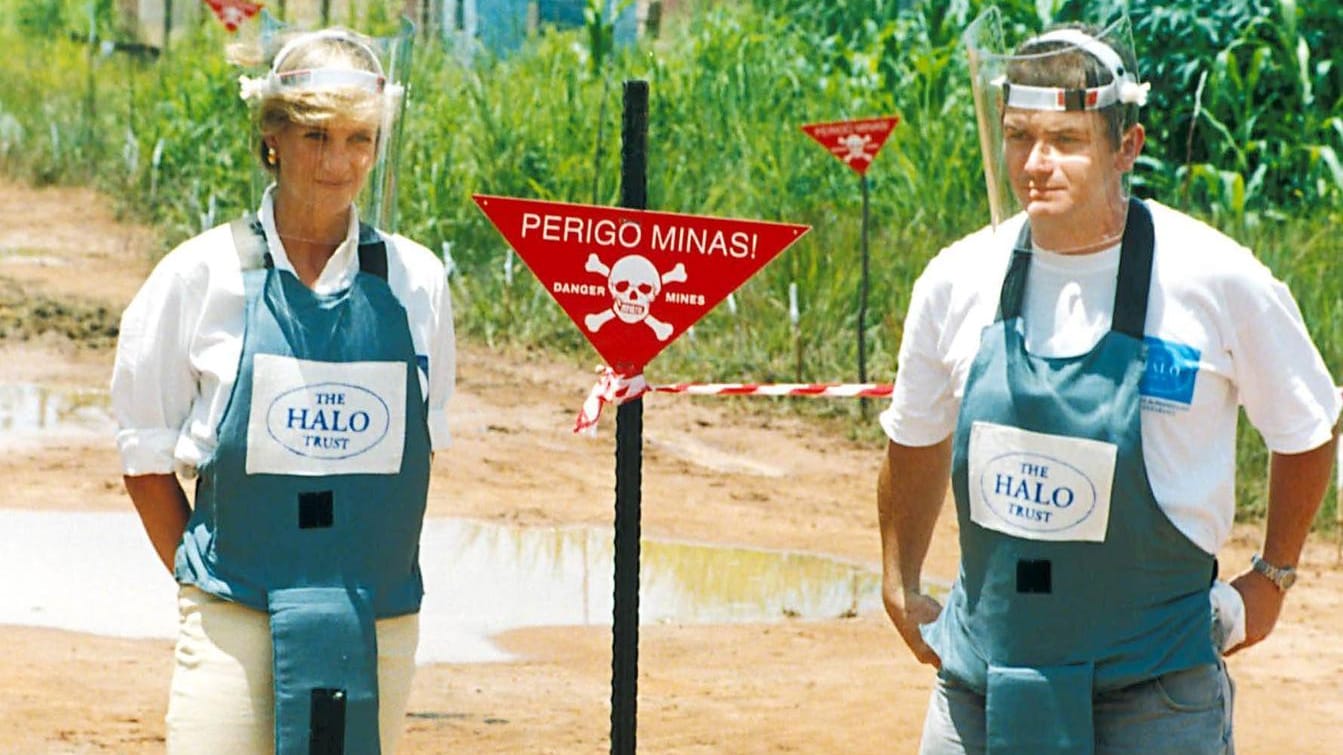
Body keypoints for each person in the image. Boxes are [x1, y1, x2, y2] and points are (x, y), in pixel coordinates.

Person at [876, 12, 1340, 755]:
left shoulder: (1214, 280)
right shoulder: (955, 277)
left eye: (1064, 141)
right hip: (978, 683)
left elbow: (1307, 424)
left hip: (1155, 692)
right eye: (1019, 136)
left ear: (1126, 146)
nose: (1035, 163)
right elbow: (914, 435)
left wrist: (1273, 574)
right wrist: (898, 580)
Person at [111, 27, 455, 754]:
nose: (339, 162)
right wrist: (212, 586)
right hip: (236, 618)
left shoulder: (416, 282)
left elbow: (420, 451)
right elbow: (144, 458)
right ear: (272, 136)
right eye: (315, 136)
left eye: (359, 138)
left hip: (377, 620)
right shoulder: (197, 277)